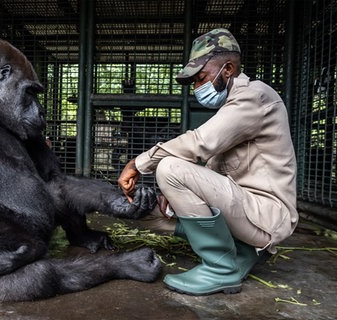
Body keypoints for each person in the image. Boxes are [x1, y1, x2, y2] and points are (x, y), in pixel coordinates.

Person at [117, 28, 298, 296]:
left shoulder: (254, 96)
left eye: (202, 78)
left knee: (169, 168)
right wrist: (176, 195)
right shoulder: (231, 107)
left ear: (227, 70)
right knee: (149, 213)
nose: (197, 87)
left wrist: (137, 163)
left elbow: (199, 143)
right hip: (243, 210)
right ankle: (242, 252)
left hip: (265, 215)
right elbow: (212, 169)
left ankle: (221, 269)